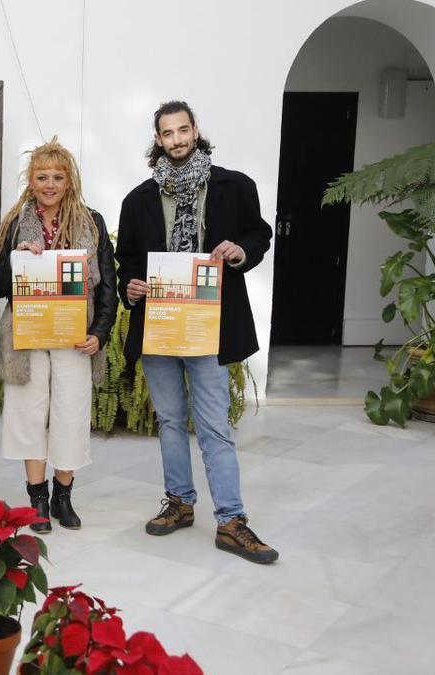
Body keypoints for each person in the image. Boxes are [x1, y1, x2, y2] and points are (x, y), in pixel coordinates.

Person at [116, 100, 278, 564]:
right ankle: (180, 502)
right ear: (158, 140)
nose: (177, 140)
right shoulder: (138, 200)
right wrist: (131, 282)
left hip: (211, 325)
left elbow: (260, 235)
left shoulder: (235, 186)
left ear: (195, 130)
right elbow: (126, 257)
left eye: (183, 131)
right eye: (168, 134)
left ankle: (231, 519)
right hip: (160, 326)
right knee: (169, 420)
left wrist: (239, 249)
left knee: (213, 425)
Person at [0, 139, 117, 533]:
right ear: (30, 180)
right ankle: (37, 499)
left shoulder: (91, 222)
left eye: (57, 177)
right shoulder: (15, 223)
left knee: (70, 415)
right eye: (42, 176)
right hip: (27, 338)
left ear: (69, 181)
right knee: (29, 416)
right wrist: (18, 260)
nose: (49, 184)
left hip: (75, 337)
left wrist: (100, 333)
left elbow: (109, 285)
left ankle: (63, 496)